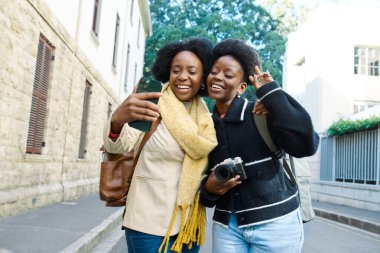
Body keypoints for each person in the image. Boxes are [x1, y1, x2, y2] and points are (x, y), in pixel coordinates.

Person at [200, 39, 320, 253]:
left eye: (228, 75)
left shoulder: (261, 112)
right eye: (214, 71)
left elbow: (307, 144)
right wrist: (209, 188)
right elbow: (197, 179)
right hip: (227, 226)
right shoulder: (204, 124)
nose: (218, 77)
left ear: (242, 86)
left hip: (277, 224)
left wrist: (272, 94)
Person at [103, 38, 217, 253]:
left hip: (188, 224)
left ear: (202, 79)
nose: (183, 76)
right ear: (168, 72)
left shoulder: (206, 120)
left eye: (192, 72)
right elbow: (118, 147)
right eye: (176, 70)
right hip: (147, 221)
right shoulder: (151, 103)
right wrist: (117, 120)